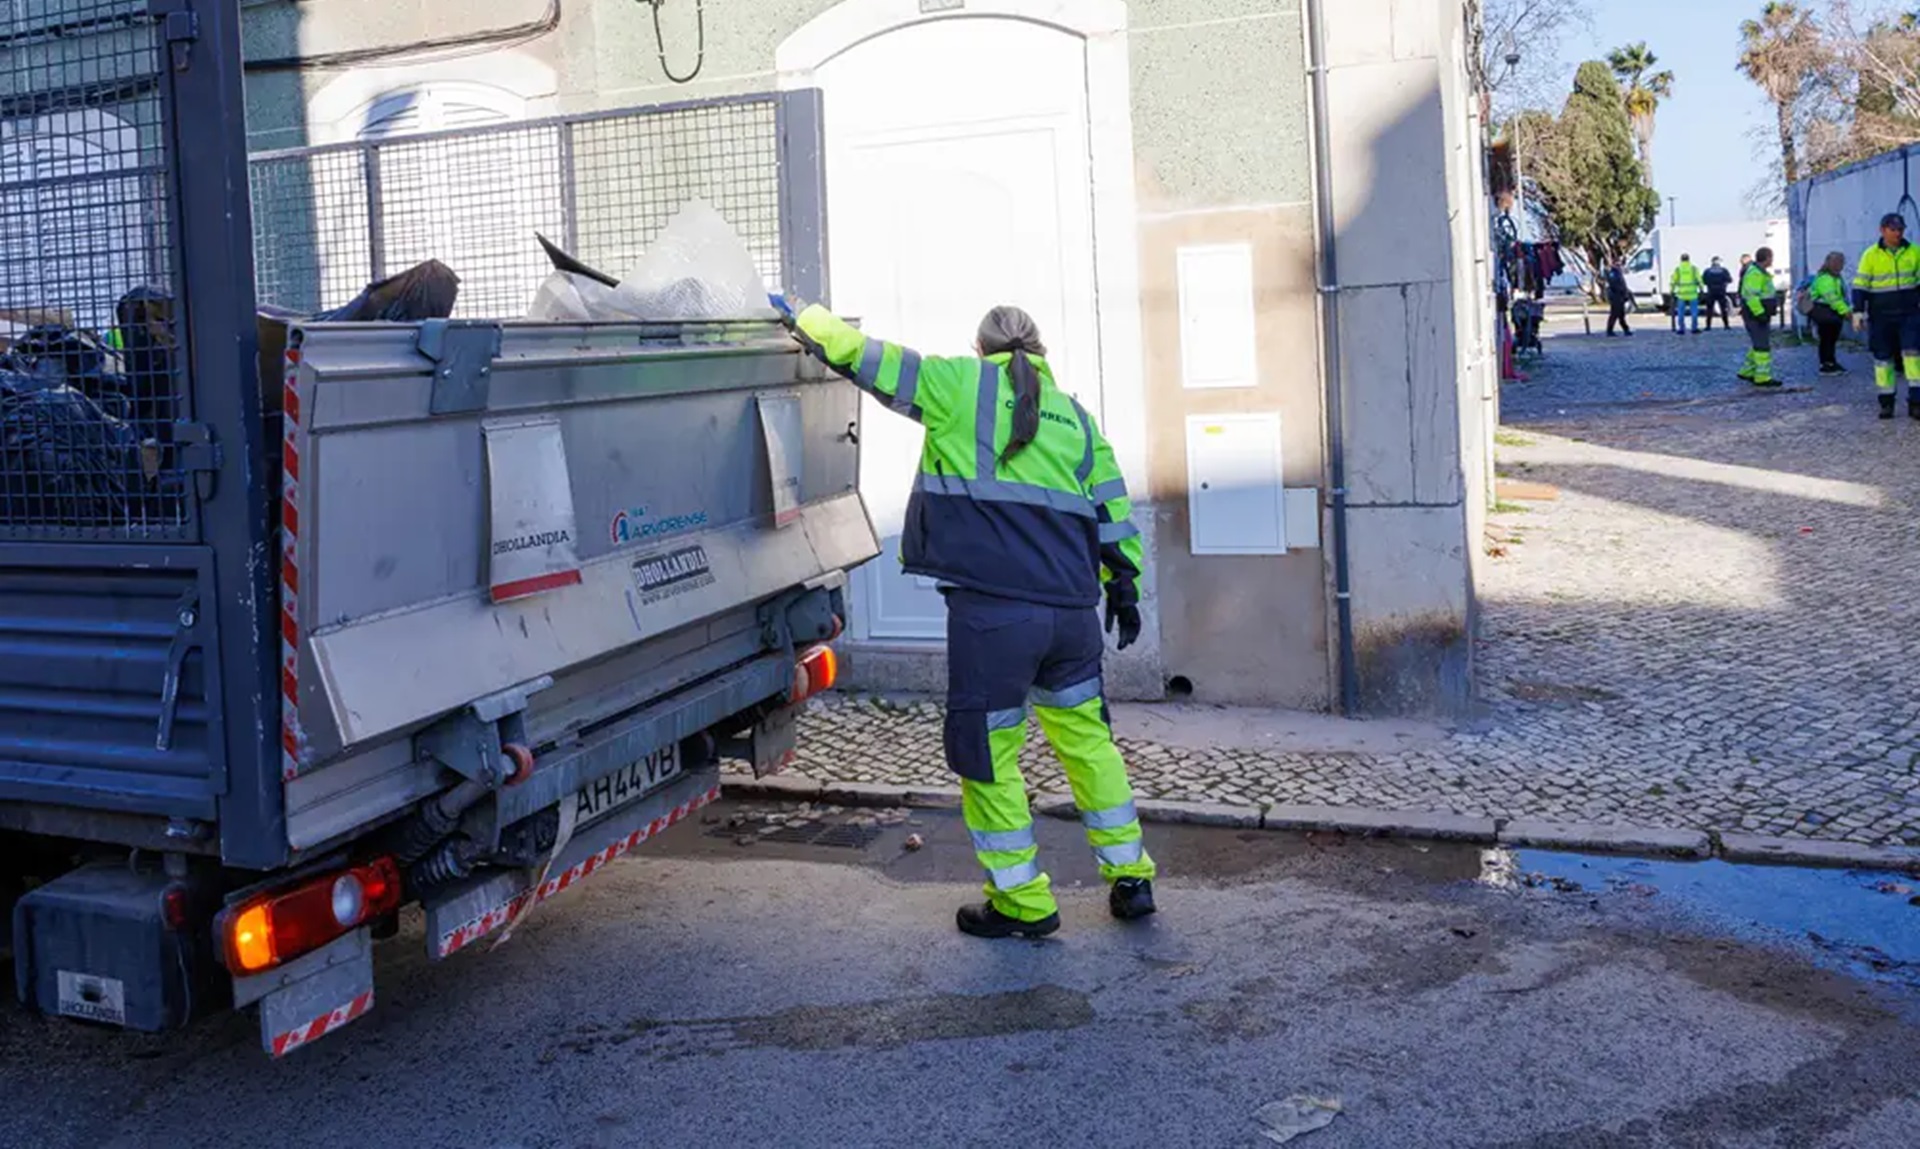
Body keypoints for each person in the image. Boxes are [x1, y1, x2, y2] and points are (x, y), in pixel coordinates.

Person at [773, 294, 1157, 938]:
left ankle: (1023, 903)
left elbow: (867, 358)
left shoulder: (958, 383)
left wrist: (800, 316)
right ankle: (1133, 879)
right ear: (1039, 353)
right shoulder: (1077, 419)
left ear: (982, 348)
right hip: (1072, 617)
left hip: (995, 619)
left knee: (989, 757)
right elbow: (1114, 515)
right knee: (1091, 746)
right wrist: (1125, 588)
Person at [1852, 211, 1920, 420]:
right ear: (1882, 230)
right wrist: (1857, 311)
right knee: (1883, 360)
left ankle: (1916, 402)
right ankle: (1886, 402)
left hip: (1909, 314)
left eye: (1900, 229)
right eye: (1893, 229)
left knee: (1913, 357)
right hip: (1881, 315)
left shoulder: (1914, 252)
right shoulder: (1870, 255)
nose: (1897, 233)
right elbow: (1861, 284)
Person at [1739, 247, 1781, 386]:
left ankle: (1747, 371)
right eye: (1771, 257)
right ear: (1767, 258)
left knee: (1757, 343)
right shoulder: (1755, 273)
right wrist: (1760, 313)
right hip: (1755, 314)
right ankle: (1762, 377)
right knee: (1762, 346)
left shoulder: (1759, 272)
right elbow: (1751, 295)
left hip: (1758, 313)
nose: (1772, 260)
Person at [1808, 251, 1852, 376]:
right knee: (1827, 338)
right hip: (1825, 311)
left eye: (1841, 262)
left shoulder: (1835, 277)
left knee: (1831, 339)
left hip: (1832, 312)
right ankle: (1826, 364)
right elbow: (1832, 298)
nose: (1840, 265)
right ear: (1829, 263)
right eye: (1837, 262)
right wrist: (1845, 312)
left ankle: (1831, 362)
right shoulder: (1825, 278)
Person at [1670, 253, 1704, 334]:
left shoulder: (1678, 269)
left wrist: (1671, 290)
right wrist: (1702, 289)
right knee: (1694, 312)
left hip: (1681, 294)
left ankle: (1681, 329)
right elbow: (1699, 279)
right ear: (1689, 259)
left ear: (1681, 259)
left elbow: (1673, 281)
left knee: (1681, 313)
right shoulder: (1693, 269)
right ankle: (1694, 328)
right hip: (1692, 294)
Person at [1702, 257, 1734, 330]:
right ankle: (1726, 325)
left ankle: (1708, 326)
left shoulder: (1707, 271)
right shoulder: (1724, 271)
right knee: (1723, 309)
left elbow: (1704, 281)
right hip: (1721, 291)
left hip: (1711, 292)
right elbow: (1730, 280)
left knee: (1709, 310)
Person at [1605, 262, 1634, 336]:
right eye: (1618, 264)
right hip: (1616, 297)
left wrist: (1626, 294)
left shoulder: (1618, 273)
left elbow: (1623, 284)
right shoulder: (1613, 273)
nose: (1620, 266)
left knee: (1621, 315)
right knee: (1614, 315)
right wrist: (1621, 291)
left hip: (1620, 297)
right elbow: (1614, 285)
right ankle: (1609, 330)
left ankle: (1626, 330)